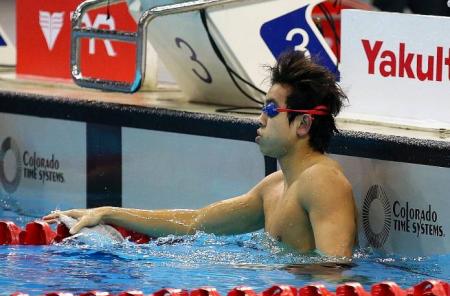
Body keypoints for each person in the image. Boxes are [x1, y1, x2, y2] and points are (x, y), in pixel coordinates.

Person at [44, 51, 357, 258]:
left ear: (303, 124)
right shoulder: (274, 187)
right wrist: (107, 212)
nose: (261, 118)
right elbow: (195, 222)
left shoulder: (322, 180)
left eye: (272, 109)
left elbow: (334, 275)